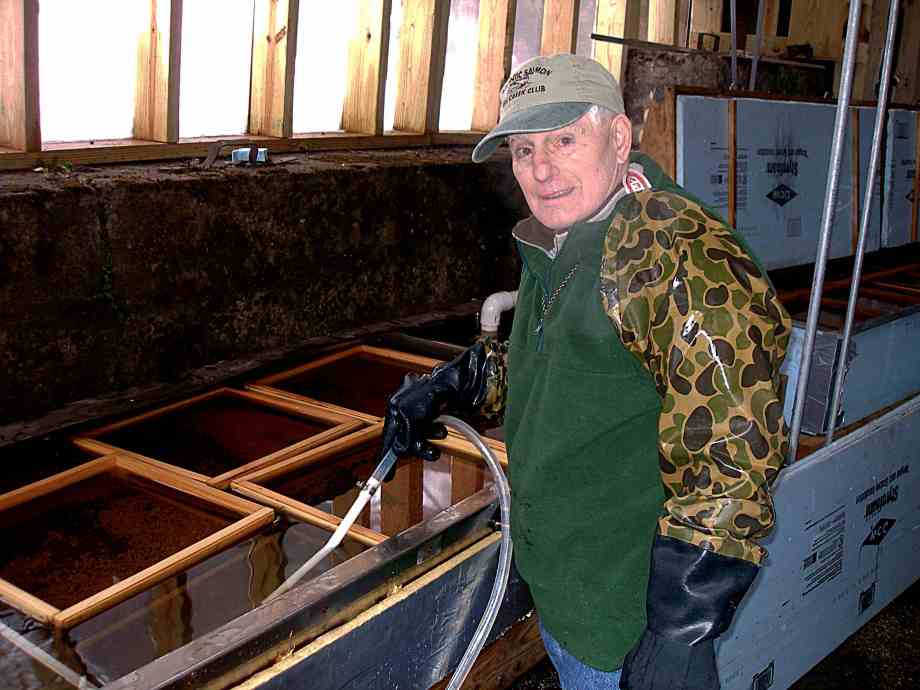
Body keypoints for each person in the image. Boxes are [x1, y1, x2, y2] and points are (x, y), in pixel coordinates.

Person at [380, 54, 791, 690]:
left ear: (620, 137)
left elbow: (733, 448)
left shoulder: (668, 249)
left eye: (565, 140)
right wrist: (451, 386)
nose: (541, 169)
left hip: (625, 624)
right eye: (523, 150)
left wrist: (680, 628)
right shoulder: (566, 240)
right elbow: (553, 370)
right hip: (570, 592)